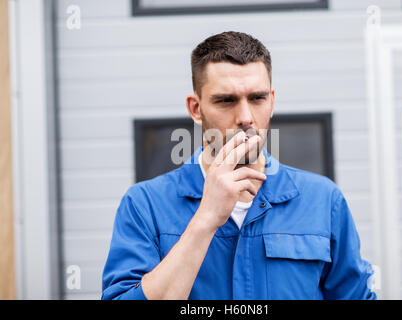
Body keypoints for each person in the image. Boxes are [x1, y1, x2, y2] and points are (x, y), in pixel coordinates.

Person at [101, 31, 377, 300]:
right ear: (196, 108)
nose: (245, 117)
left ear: (271, 101)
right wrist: (206, 218)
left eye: (257, 98)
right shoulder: (144, 205)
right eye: (226, 100)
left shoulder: (323, 200)